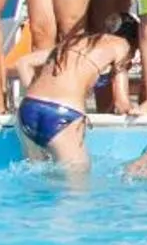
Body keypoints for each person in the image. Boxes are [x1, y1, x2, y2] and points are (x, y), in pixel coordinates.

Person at [11, 13, 132, 170]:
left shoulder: (75, 43)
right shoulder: (121, 44)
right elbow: (122, 104)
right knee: (76, 188)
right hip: (63, 114)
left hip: (28, 109)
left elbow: (23, 62)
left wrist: (41, 97)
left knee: (35, 184)